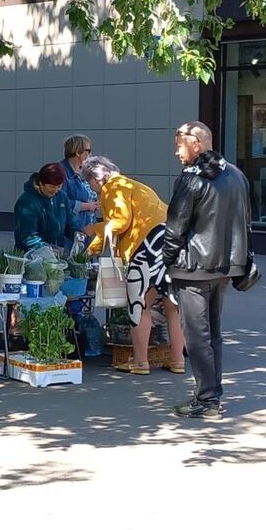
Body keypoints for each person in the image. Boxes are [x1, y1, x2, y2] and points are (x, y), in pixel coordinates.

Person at [163, 121, 251, 419]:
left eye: (179, 144)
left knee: (197, 336)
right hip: (223, 267)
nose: (176, 151)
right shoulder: (236, 175)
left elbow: (175, 228)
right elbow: (244, 221)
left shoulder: (192, 179)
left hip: (192, 269)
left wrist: (166, 263)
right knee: (212, 333)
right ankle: (212, 394)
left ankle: (206, 400)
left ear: (196, 143)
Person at [82, 156, 186, 375]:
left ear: (96, 178)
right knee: (172, 307)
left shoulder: (112, 188)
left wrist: (93, 229)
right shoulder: (135, 185)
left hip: (147, 247)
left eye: (89, 183)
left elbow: (119, 222)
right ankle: (177, 360)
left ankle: (140, 361)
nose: (92, 189)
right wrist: (92, 248)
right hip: (172, 241)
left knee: (140, 304)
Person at [13, 162, 81, 252]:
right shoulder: (27, 201)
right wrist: (46, 249)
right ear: (41, 183)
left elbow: (70, 222)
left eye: (59, 186)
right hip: (30, 256)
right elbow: (28, 235)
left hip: (57, 253)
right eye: (51, 187)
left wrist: (76, 234)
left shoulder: (62, 197)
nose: (56, 190)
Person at [59, 135, 99, 250]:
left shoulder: (85, 172)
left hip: (87, 226)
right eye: (88, 150)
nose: (90, 154)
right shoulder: (62, 172)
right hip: (70, 231)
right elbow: (60, 202)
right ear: (77, 152)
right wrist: (87, 206)